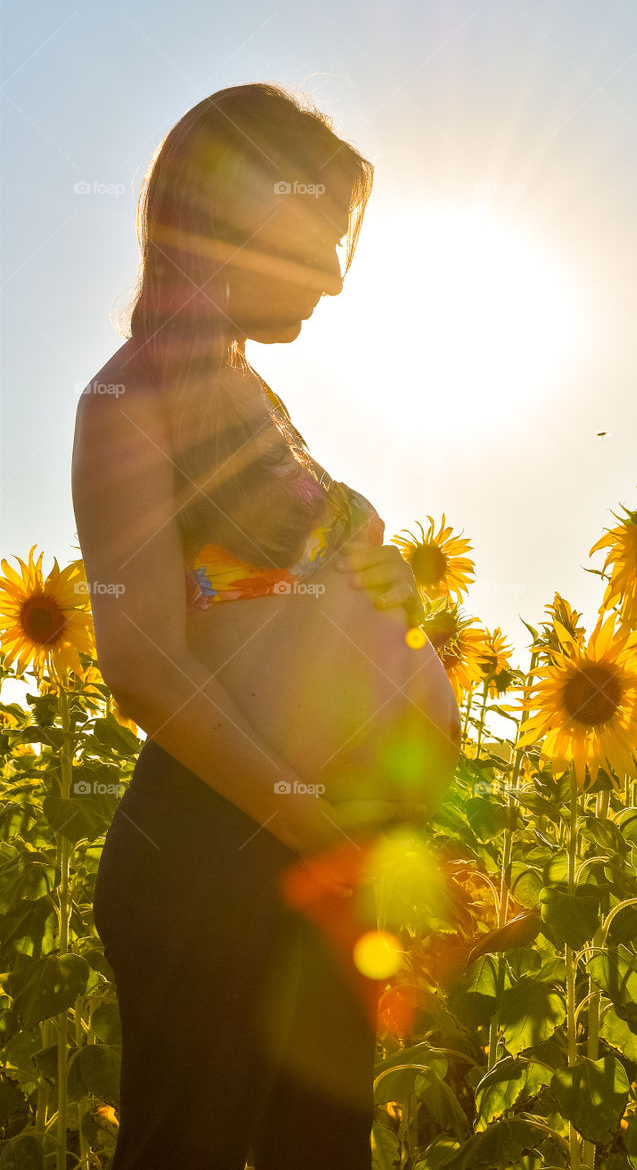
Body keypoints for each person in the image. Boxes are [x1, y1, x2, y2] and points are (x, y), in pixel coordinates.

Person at [71, 82, 453, 1169]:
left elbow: (282, 602)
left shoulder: (253, 401)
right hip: (210, 861)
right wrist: (317, 828)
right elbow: (144, 662)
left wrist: (383, 588)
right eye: (318, 241)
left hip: (310, 867)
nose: (337, 277)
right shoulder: (129, 401)